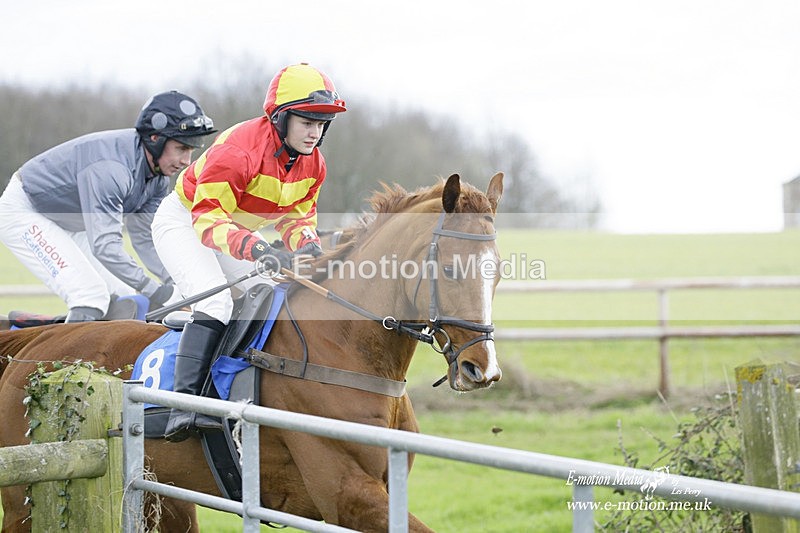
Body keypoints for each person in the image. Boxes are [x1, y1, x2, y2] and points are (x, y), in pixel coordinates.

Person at [152, 63, 347, 441]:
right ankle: (183, 406)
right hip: (186, 221)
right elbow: (208, 219)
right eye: (307, 122)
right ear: (281, 118)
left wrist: (308, 245)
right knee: (216, 304)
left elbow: (297, 217)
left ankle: (240, 384)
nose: (315, 133)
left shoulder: (314, 164)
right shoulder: (238, 150)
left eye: (322, 124)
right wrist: (257, 248)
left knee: (269, 294)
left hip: (234, 229)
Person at [0, 91, 217, 323]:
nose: (187, 161)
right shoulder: (111, 170)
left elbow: (146, 238)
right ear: (155, 139)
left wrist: (179, 282)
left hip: (72, 223)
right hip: (25, 210)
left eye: (191, 151)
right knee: (90, 297)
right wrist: (157, 292)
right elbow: (105, 245)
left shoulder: (157, 177)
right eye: (181, 148)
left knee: (127, 298)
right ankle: (56, 348)